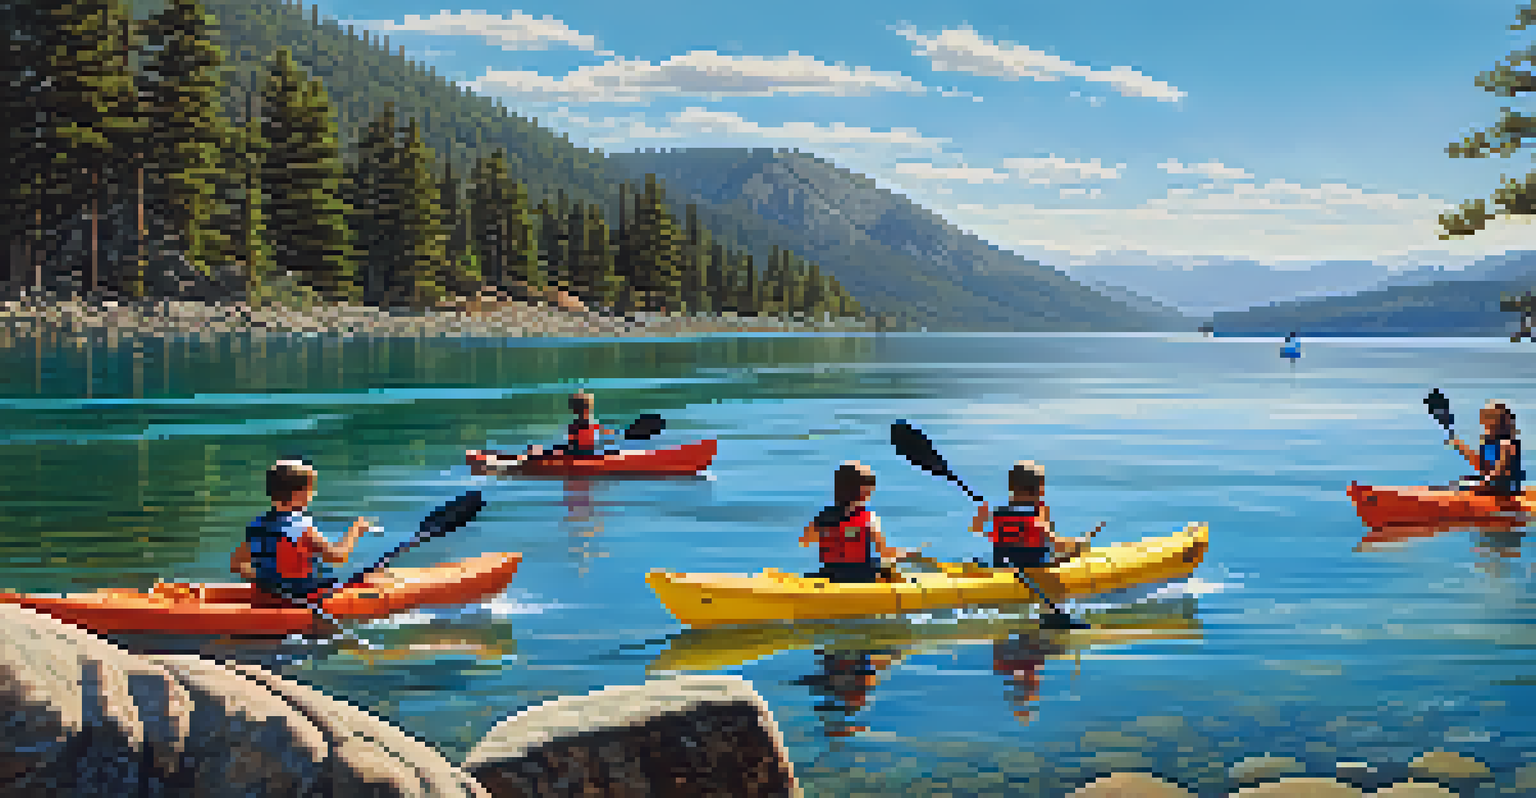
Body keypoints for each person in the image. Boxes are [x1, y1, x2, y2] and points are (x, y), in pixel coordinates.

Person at [230, 460, 371, 601]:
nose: (312, 495)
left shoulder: (257, 525)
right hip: (304, 598)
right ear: (299, 494)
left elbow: (237, 564)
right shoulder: (301, 527)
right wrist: (356, 530)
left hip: (269, 596)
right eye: (310, 490)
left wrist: (267, 579)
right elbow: (337, 557)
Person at [799, 461, 915, 583]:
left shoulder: (822, 518)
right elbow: (884, 551)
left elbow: (805, 541)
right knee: (887, 566)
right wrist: (906, 554)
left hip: (831, 575)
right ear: (865, 491)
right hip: (863, 577)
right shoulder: (869, 518)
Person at [969, 461, 1083, 574]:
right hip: (1032, 569)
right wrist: (1075, 545)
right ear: (1037, 492)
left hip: (1002, 566)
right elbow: (1054, 542)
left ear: (1011, 489)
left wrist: (980, 516)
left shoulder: (999, 514)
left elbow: (977, 528)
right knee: (1064, 557)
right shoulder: (1037, 520)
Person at [1448, 401, 1524, 496]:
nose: (1484, 425)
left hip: (1506, 488)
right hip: (1491, 483)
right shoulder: (1487, 444)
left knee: (1467, 485)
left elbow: (1501, 471)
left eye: (1488, 420)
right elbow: (1482, 467)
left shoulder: (1507, 445)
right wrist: (1461, 448)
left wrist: (1483, 482)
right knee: (1462, 482)